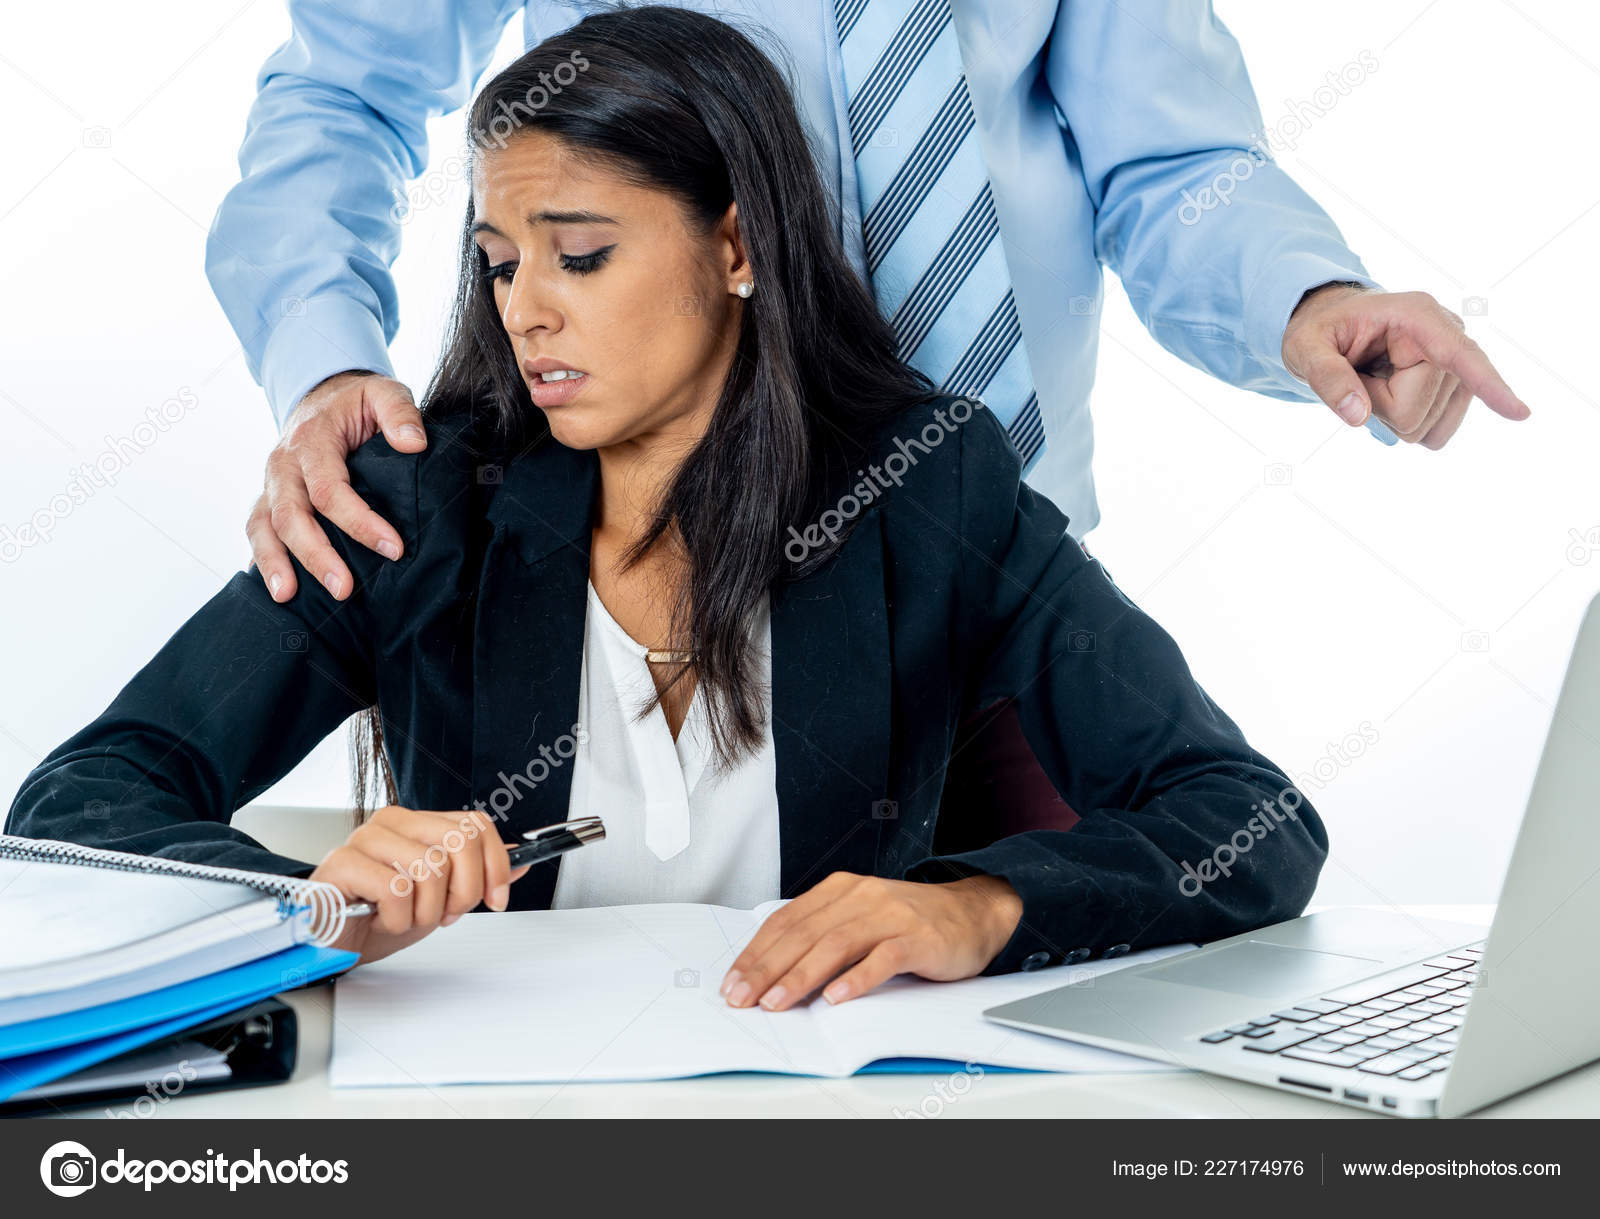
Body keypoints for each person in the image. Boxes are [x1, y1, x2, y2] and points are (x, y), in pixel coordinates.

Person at [9, 9, 1324, 1011]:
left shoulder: (932, 490)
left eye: (581, 256)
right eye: (499, 264)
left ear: (736, 247)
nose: (525, 310)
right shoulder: (418, 503)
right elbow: (77, 804)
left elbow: (1248, 821)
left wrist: (976, 908)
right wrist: (302, 907)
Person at [211, 0, 1528, 609]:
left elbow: (1171, 157)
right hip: (668, 571)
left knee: (1046, 987)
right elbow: (347, 95)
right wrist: (327, 359)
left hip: (1004, 570)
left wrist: (1305, 297)